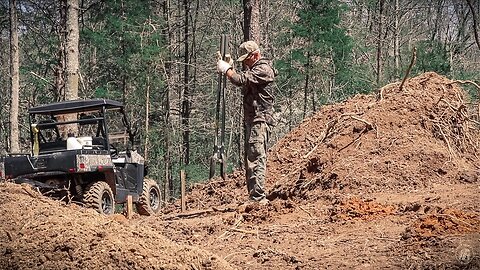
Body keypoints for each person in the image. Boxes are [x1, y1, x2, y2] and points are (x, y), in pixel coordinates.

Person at [216, 40, 276, 204]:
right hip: (253, 119)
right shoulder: (255, 69)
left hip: (260, 119)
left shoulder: (263, 69)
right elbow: (242, 79)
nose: (245, 63)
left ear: (255, 55)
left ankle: (258, 198)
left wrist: (227, 70)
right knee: (250, 158)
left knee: (256, 157)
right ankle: (254, 197)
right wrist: (230, 69)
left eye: (247, 60)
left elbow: (239, 79)